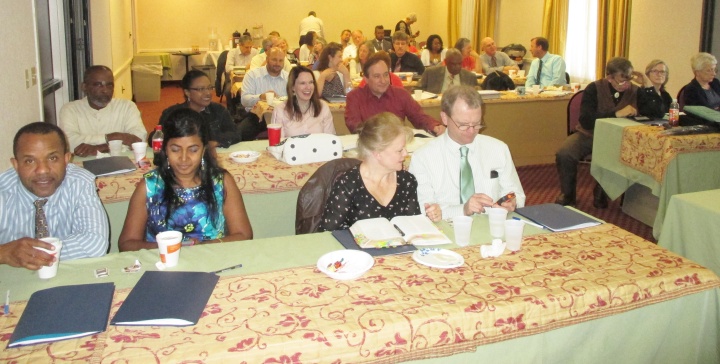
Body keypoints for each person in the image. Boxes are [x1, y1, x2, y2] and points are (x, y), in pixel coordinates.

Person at [119, 109, 252, 252]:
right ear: (165, 149)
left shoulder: (221, 182)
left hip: (214, 258)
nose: (184, 158)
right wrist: (171, 247)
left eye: (193, 150)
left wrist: (201, 247)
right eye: (175, 150)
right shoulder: (151, 186)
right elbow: (127, 244)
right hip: (164, 263)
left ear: (203, 150)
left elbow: (243, 234)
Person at [0, 122, 109, 269]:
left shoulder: (79, 182)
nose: (43, 170)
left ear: (66, 160)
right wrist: (4, 253)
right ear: (16, 164)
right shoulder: (3, 191)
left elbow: (95, 244)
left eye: (52, 158)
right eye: (30, 161)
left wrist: (32, 255)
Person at [409, 86, 525, 221]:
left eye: (477, 124)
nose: (471, 131)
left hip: (492, 226)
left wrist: (512, 202)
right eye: (463, 125)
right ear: (444, 118)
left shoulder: (498, 149)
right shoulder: (423, 157)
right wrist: (463, 209)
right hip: (447, 230)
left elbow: (517, 194)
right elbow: (424, 210)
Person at [555, 57, 638, 208]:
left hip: (620, 138)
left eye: (628, 79)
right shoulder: (594, 88)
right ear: (609, 78)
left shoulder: (635, 91)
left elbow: (654, 111)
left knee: (618, 153)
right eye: (621, 81)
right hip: (590, 134)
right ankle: (568, 194)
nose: (625, 85)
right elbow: (586, 120)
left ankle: (601, 190)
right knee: (565, 152)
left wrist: (646, 84)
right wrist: (616, 114)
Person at [317, 112, 420, 231]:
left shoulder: (406, 181)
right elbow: (327, 233)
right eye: (399, 150)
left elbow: (414, 227)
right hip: (356, 249)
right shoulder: (348, 184)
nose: (405, 154)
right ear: (377, 153)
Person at [345, 51, 445, 135]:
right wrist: (379, 133)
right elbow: (353, 125)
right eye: (377, 76)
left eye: (385, 75)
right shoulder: (354, 97)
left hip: (398, 146)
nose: (383, 80)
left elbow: (418, 116)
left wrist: (435, 126)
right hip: (369, 146)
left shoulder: (401, 94)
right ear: (366, 79)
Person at [60, 65, 147, 157]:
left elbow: (139, 139)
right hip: (82, 164)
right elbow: (69, 142)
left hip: (120, 161)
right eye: (98, 85)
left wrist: (99, 148)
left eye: (109, 85)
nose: (105, 90)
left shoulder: (127, 106)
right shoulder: (70, 109)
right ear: (84, 87)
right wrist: (114, 137)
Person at [154, 70, 240, 148]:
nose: (208, 93)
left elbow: (235, 134)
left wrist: (215, 141)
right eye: (201, 89)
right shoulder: (173, 114)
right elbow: (155, 137)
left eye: (209, 88)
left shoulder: (218, 110)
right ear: (187, 92)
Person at [240, 47, 289, 141]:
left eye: (280, 60)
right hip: (257, 117)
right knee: (240, 134)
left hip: (284, 117)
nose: (277, 63)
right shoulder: (252, 75)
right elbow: (244, 100)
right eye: (274, 59)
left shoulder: (288, 77)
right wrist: (260, 97)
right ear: (267, 59)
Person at [272, 66, 335, 138]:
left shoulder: (323, 107)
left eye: (311, 82)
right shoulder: (280, 110)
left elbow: (331, 139)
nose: (308, 87)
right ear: (292, 87)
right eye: (302, 83)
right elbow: (277, 145)